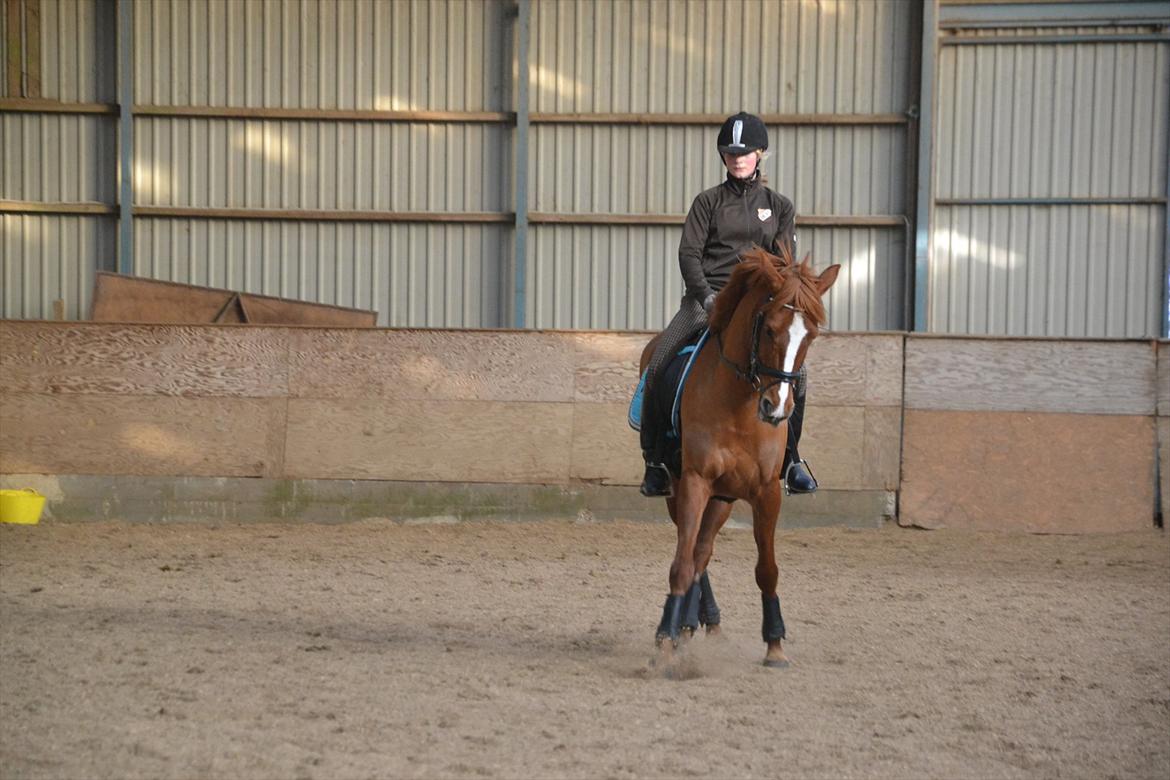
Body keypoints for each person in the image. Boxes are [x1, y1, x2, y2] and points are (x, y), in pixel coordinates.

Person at [639, 111, 818, 498]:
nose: (737, 159)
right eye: (730, 153)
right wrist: (705, 296)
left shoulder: (780, 207)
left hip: (757, 305)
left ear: (760, 154)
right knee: (657, 363)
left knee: (798, 378)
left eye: (745, 153)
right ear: (724, 157)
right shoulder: (707, 202)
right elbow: (689, 255)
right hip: (708, 298)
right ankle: (653, 460)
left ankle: (792, 460)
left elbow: (785, 264)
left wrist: (770, 302)